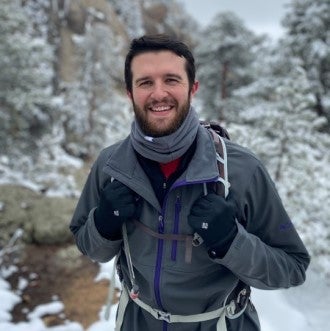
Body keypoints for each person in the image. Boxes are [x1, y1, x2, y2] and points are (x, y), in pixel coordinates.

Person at [70, 34, 310, 331]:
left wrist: (232, 242)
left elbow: (292, 268)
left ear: (192, 88)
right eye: (145, 82)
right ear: (130, 93)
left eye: (171, 80)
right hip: (137, 321)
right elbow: (90, 246)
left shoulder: (242, 170)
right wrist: (103, 224)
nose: (159, 94)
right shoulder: (111, 165)